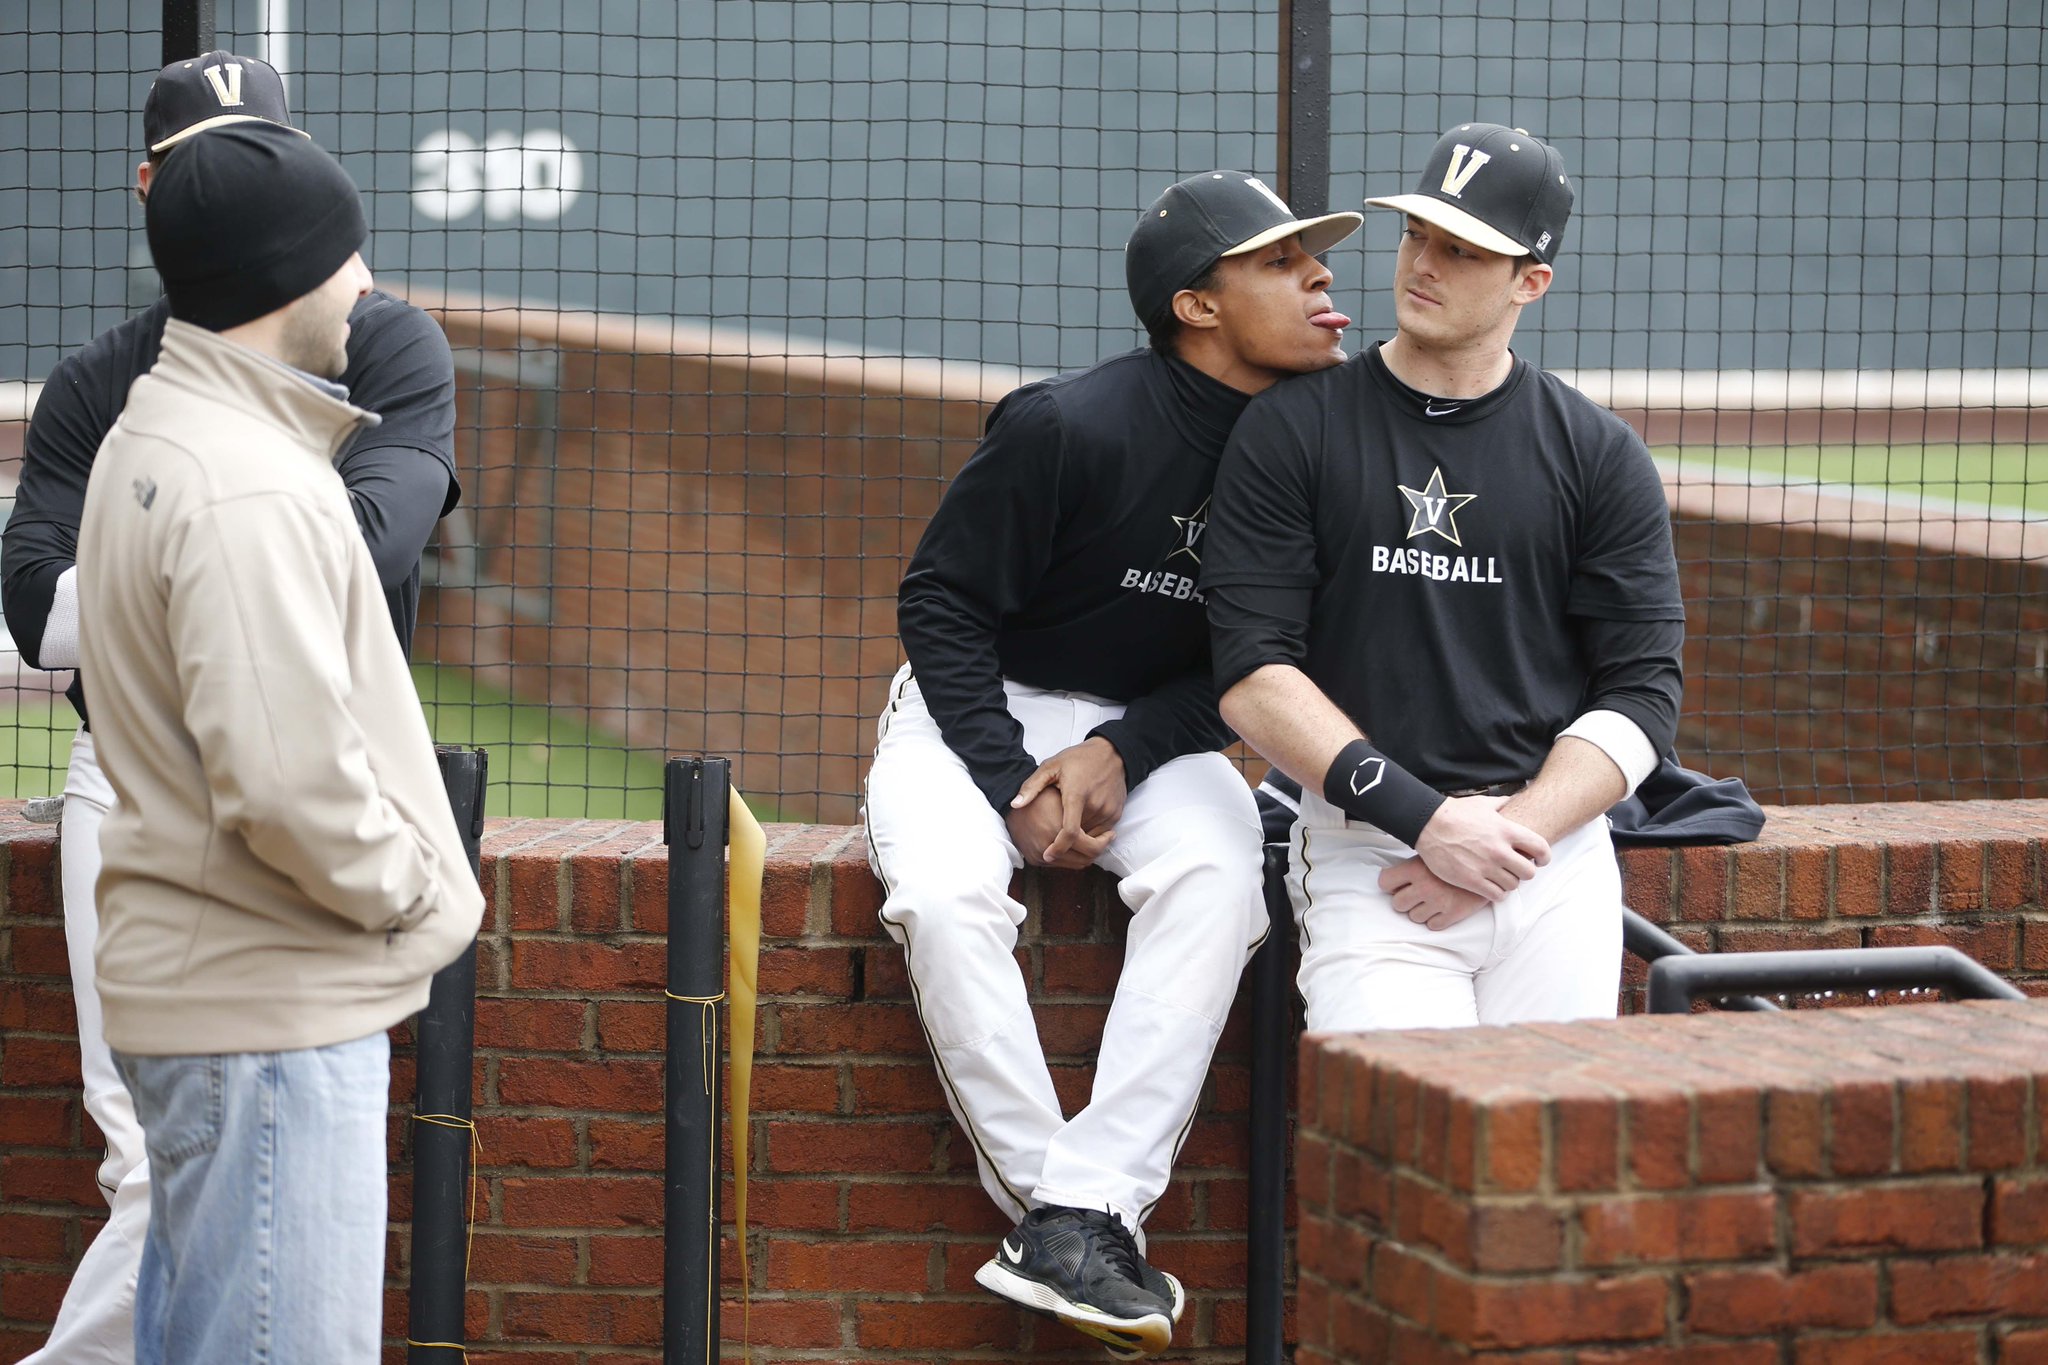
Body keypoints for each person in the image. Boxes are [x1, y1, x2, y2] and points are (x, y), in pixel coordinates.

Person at [1, 51, 458, 1364]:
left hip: (318, 789)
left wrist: (150, 563)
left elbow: (374, 549)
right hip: (138, 786)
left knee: (257, 1187)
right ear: (156, 189)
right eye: (206, 158)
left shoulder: (385, 339)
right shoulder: (106, 379)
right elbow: (33, 607)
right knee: (152, 1164)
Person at [861, 171, 1360, 1358]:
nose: (1323, 279)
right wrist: (1005, 777)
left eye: (1317, 259)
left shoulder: (1315, 454)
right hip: (978, 703)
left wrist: (1123, 747)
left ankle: (1070, 1219)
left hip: (1161, 726)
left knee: (1218, 885)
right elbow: (940, 607)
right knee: (941, 896)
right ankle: (1069, 1212)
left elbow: (1266, 663)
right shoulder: (1067, 425)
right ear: (1197, 304)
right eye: (1283, 263)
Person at [1203, 123, 1686, 1032]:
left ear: (1529, 282)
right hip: (1372, 853)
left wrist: (1509, 843)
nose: (1424, 263)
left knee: (1555, 1154)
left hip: (1551, 859)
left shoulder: (1600, 455)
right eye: (1418, 233)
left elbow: (1644, 692)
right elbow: (1252, 673)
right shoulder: (1293, 428)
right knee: (1399, 1145)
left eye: (1464, 251)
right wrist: (1428, 822)